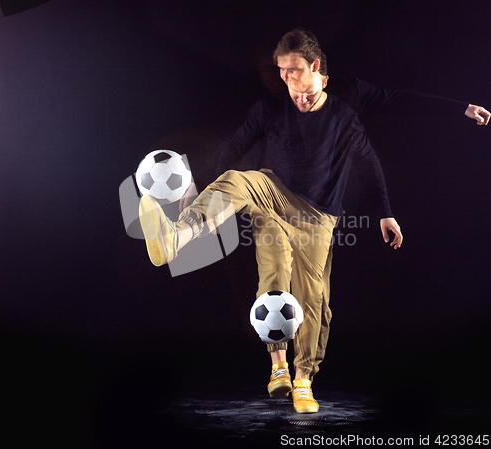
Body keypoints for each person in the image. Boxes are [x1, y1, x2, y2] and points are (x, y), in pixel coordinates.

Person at [138, 29, 403, 414]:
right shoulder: (270, 108)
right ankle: (179, 237)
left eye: (295, 74)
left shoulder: (343, 117)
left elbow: (371, 162)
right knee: (264, 253)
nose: (290, 86)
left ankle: (303, 380)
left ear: (319, 73)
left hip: (317, 217)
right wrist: (197, 193)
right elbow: (234, 147)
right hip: (272, 196)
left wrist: (386, 212)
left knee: (313, 301)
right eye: (282, 74)